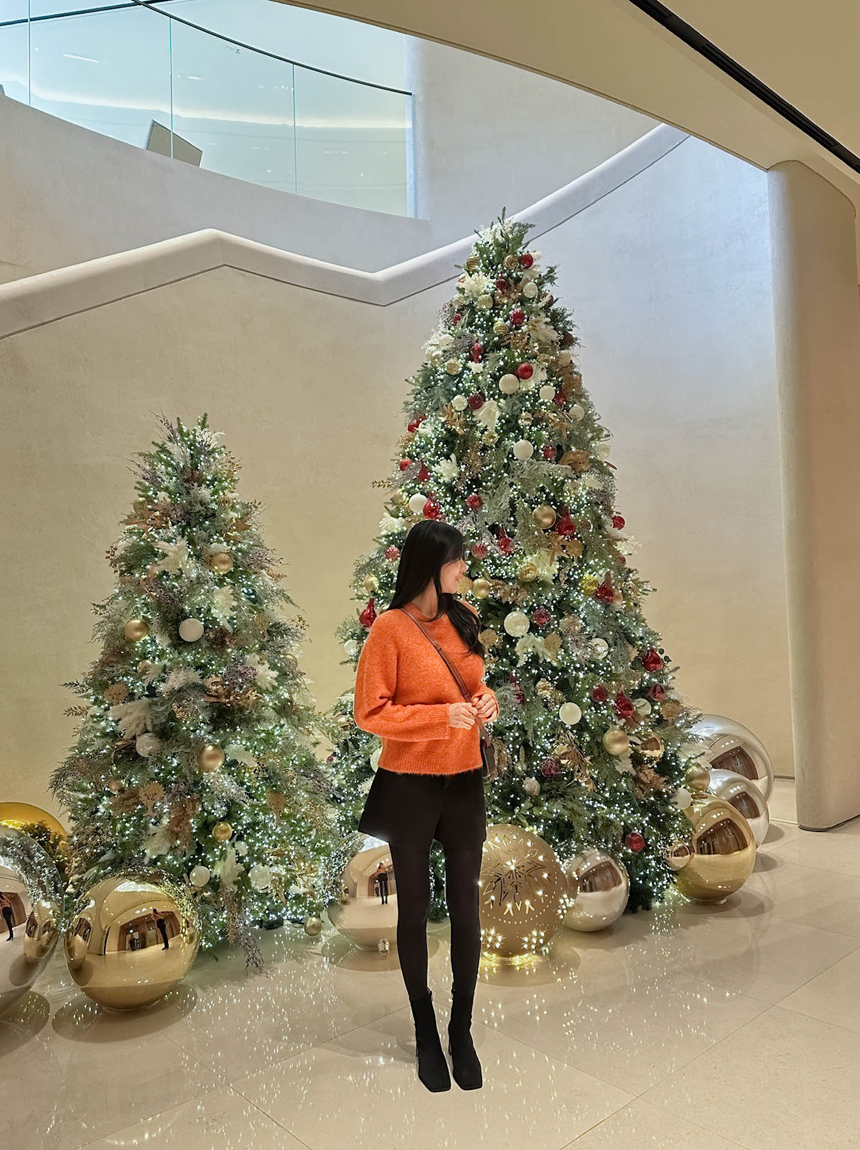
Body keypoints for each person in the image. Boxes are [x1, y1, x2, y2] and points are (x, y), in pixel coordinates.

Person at [353, 521, 500, 1093]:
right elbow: (369, 713)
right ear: (431, 565)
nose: (464, 568)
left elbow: (473, 684)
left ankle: (460, 1028)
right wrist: (441, 718)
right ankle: (424, 1029)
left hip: (463, 780)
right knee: (413, 908)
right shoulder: (389, 629)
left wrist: (485, 700)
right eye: (457, 560)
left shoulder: (463, 617)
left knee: (466, 907)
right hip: (410, 784)